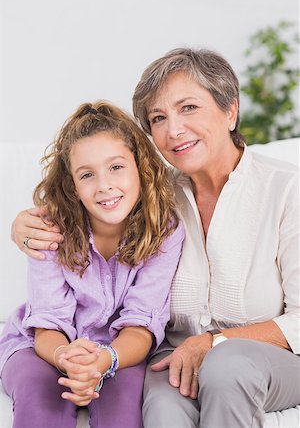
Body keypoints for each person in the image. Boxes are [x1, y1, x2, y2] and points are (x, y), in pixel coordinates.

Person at [11, 48, 300, 428]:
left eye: (189, 108)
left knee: (227, 368)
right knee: (162, 410)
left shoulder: (287, 188)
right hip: (175, 355)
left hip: (269, 358)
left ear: (230, 110)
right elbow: (86, 200)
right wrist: (22, 225)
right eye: (158, 118)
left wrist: (215, 342)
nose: (173, 129)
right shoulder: (153, 196)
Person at [0, 100, 185, 428]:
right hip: (43, 347)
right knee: (40, 399)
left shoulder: (163, 229)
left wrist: (103, 360)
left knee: (123, 412)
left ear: (139, 166)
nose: (104, 185)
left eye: (116, 167)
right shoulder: (49, 229)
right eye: (87, 175)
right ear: (73, 185)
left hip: (120, 351)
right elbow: (48, 324)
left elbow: (141, 323)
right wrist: (67, 360)